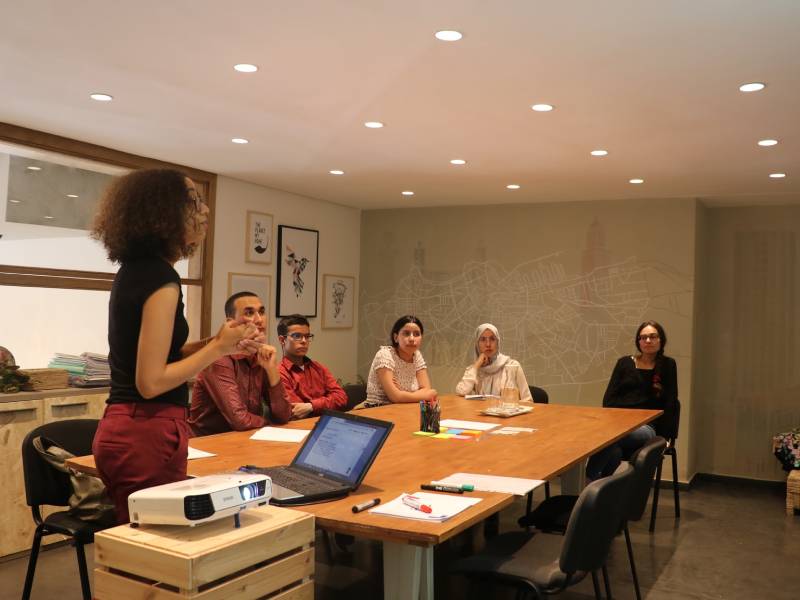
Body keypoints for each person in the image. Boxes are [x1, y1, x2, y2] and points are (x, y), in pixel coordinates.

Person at [90, 168, 259, 523]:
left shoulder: (137, 270)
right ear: (163, 213)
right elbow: (150, 382)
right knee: (154, 545)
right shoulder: (160, 277)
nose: (205, 210)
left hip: (129, 427)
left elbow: (166, 354)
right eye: (194, 201)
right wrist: (217, 349)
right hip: (146, 432)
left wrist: (220, 342)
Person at [586, 320, 679, 480]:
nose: (648, 341)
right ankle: (602, 487)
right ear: (638, 341)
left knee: (607, 437)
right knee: (614, 450)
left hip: (647, 427)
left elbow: (671, 403)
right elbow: (608, 400)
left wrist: (664, 438)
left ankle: (587, 481)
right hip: (618, 424)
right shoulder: (624, 363)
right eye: (643, 337)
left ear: (661, 340)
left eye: (653, 336)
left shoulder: (668, 365)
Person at [189, 292, 292, 436]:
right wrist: (270, 424)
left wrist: (272, 370)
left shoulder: (261, 355)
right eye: (249, 313)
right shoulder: (219, 359)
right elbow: (240, 421)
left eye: (262, 312)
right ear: (231, 323)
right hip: (206, 442)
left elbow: (284, 415)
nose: (259, 320)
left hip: (246, 439)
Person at [277, 314, 347, 418]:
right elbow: (296, 411)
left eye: (307, 336)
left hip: (326, 422)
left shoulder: (318, 368)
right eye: (297, 336)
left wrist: (311, 406)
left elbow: (341, 398)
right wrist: (326, 403)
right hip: (301, 426)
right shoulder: (279, 373)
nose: (304, 341)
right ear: (282, 340)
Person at [363, 315, 437, 407]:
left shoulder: (417, 355)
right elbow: (395, 397)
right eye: (406, 333)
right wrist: (423, 395)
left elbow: (426, 389)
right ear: (396, 337)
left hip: (405, 407)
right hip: (377, 408)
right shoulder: (385, 355)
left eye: (417, 334)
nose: (412, 339)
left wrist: (401, 393)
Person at [455, 323, 533, 402]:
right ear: (477, 344)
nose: (488, 344)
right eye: (483, 339)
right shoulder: (475, 370)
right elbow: (462, 391)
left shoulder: (513, 366)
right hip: (481, 410)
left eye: (492, 339)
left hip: (509, 409)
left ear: (498, 342)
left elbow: (528, 401)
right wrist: (476, 366)